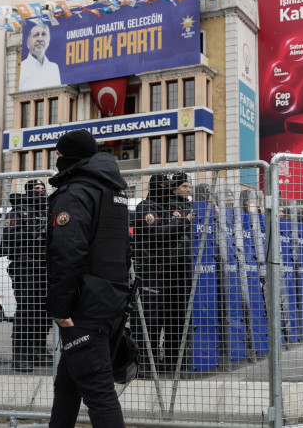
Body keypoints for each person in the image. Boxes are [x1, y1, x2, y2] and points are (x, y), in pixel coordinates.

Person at [46, 130, 132, 428]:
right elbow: (125, 248)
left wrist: (60, 308)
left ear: (68, 156)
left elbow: (67, 251)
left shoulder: (76, 191)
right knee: (68, 385)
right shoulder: (114, 191)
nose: (55, 160)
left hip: (84, 308)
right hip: (110, 301)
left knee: (98, 391)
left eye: (58, 154)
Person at [132, 172, 194, 376]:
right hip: (153, 271)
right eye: (164, 186)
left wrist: (180, 221)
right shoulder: (145, 207)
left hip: (175, 271)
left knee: (175, 319)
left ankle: (173, 363)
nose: (168, 190)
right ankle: (144, 364)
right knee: (150, 320)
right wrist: (182, 222)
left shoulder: (172, 207)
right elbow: (158, 234)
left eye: (170, 187)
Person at [3, 178, 51, 372]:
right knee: (27, 311)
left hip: (45, 267)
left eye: (42, 189)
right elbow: (7, 235)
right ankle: (21, 355)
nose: (40, 192)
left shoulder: (48, 211)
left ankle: (37, 351)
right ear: (28, 191)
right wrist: (34, 232)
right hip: (25, 268)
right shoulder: (18, 211)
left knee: (44, 311)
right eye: (36, 189)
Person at [19, 24, 61, 91]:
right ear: (28, 44)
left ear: (48, 41)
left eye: (44, 34)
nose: (40, 39)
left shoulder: (54, 68)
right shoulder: (21, 68)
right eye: (36, 35)